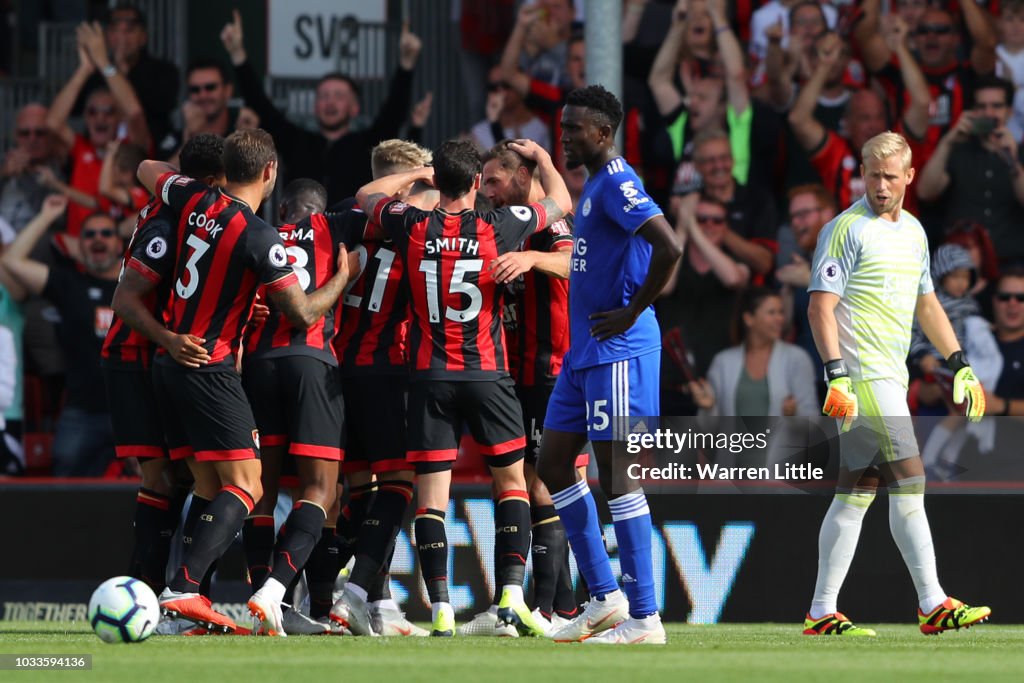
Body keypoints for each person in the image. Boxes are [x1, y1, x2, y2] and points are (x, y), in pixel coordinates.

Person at [347, 137, 571, 637]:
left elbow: (365, 193)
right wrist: (545, 161)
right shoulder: (499, 226)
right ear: (475, 183)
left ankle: (443, 609)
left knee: (431, 500)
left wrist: (413, 178)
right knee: (512, 484)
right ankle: (512, 594)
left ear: (437, 181)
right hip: (488, 376)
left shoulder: (412, 224)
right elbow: (562, 202)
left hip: (430, 379)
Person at [133, 129, 352, 633]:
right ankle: (183, 589)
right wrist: (342, 279)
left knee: (209, 484)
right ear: (270, 172)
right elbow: (300, 312)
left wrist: (183, 183)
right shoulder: (258, 235)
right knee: (248, 485)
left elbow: (147, 167)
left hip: (168, 364)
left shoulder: (193, 197)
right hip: (210, 366)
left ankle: (181, 608)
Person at [805, 131, 991, 637]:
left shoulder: (913, 231)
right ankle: (932, 601)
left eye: (891, 176)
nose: (881, 185)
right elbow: (820, 307)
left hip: (890, 373)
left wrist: (960, 363)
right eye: (872, 174)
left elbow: (926, 303)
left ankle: (821, 610)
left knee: (857, 494)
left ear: (910, 176)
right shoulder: (845, 229)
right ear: (861, 174)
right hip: (863, 377)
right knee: (911, 480)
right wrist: (836, 375)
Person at [537, 85, 682, 645]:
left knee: (618, 476)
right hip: (584, 355)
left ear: (603, 132)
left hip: (618, 351)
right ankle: (604, 597)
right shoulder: (594, 184)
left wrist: (632, 311)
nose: (565, 135)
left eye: (574, 128)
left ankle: (645, 618)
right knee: (552, 465)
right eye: (563, 125)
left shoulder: (620, 183)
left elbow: (669, 246)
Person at [461, 140, 579, 636]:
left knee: (540, 485)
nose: (486, 190)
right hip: (520, 373)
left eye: (493, 180)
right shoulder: (505, 225)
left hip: (550, 370)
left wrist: (532, 260)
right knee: (531, 483)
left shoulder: (545, 226)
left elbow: (577, 264)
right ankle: (566, 608)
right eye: (481, 181)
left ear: (521, 177)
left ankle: (544, 611)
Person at [105, 133, 226, 594]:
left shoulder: (186, 215)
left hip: (163, 357)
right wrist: (170, 339)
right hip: (133, 353)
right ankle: (146, 588)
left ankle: (177, 591)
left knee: (187, 473)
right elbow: (124, 300)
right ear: (214, 182)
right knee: (162, 474)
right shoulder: (168, 223)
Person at [329, 140, 438, 638]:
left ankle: (373, 600)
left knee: (358, 492)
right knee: (397, 486)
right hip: (387, 368)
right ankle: (350, 594)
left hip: (336, 368)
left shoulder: (339, 222)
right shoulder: (414, 231)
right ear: (412, 182)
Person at [241, 178, 356, 637]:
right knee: (320, 491)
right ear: (321, 211)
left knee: (260, 491)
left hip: (259, 366)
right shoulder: (335, 228)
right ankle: (275, 592)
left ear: (282, 206)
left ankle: (262, 602)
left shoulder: (256, 233)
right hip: (312, 364)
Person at [220, 10, 422, 203]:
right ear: (315, 105)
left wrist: (406, 63)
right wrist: (238, 54)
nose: (330, 102)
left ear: (355, 108)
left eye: (339, 96)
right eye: (324, 96)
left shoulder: (368, 146)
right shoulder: (297, 142)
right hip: (301, 233)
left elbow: (393, 114)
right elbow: (262, 107)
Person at [2, 199, 122, 476]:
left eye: (106, 233)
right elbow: (11, 261)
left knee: (156, 490)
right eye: (89, 235)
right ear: (78, 245)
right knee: (63, 493)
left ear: (119, 243)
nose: (97, 239)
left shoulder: (140, 286)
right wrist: (46, 217)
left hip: (135, 412)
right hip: (81, 413)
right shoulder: (69, 284)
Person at [45, 21, 150, 235]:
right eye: (93, 112)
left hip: (118, 256)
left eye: (108, 112)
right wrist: (84, 70)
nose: (100, 118)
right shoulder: (80, 147)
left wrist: (103, 62)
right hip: (78, 253)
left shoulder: (132, 149)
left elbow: (134, 112)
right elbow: (52, 123)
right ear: (85, 117)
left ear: (119, 118)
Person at [916, 76, 1024, 261]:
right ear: (972, 111)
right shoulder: (957, 150)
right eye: (981, 107)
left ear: (1009, 112)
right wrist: (947, 142)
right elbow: (925, 192)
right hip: (961, 268)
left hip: (1012, 266)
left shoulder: (1019, 154)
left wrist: (1012, 161)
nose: (988, 113)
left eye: (996, 106)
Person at [692, 287, 817, 417]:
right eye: (771, 312)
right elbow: (707, 428)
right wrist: (708, 407)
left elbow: (812, 421)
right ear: (748, 319)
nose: (780, 318)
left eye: (781, 312)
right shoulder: (722, 362)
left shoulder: (797, 359)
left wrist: (795, 414)